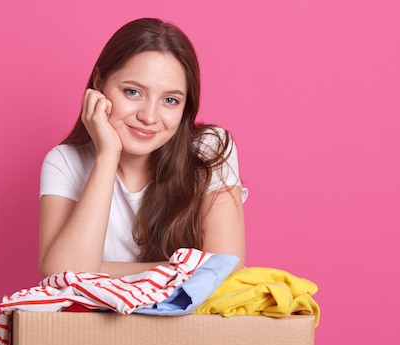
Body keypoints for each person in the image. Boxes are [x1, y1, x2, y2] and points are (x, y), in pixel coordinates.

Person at [39, 17, 247, 278]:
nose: (149, 116)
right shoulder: (65, 162)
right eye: (132, 92)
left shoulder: (210, 150)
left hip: (189, 319)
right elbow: (60, 276)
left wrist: (98, 269)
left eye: (170, 100)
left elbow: (225, 268)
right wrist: (107, 155)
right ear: (99, 83)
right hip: (95, 320)